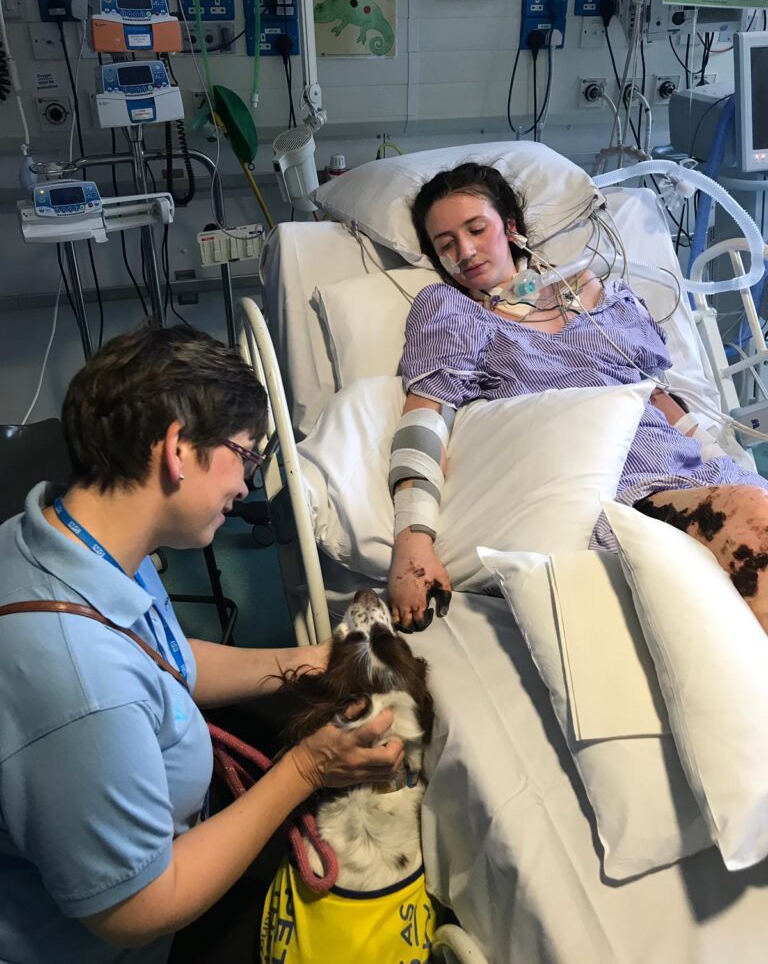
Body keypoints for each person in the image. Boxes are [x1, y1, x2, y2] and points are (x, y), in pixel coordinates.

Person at [0, 323, 405, 964]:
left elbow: (166, 660)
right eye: (244, 456)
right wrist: (307, 769)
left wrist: (304, 661)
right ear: (178, 449)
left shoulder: (73, 538)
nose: (245, 487)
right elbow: (139, 910)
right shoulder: (79, 682)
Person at [387, 162, 768, 631]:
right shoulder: (453, 313)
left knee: (753, 507)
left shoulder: (593, 294)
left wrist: (723, 459)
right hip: (619, 502)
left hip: (701, 476)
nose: (464, 251)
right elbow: (424, 422)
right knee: (749, 516)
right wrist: (413, 543)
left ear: (510, 228)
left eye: (476, 229)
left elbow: (659, 398)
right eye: (446, 245)